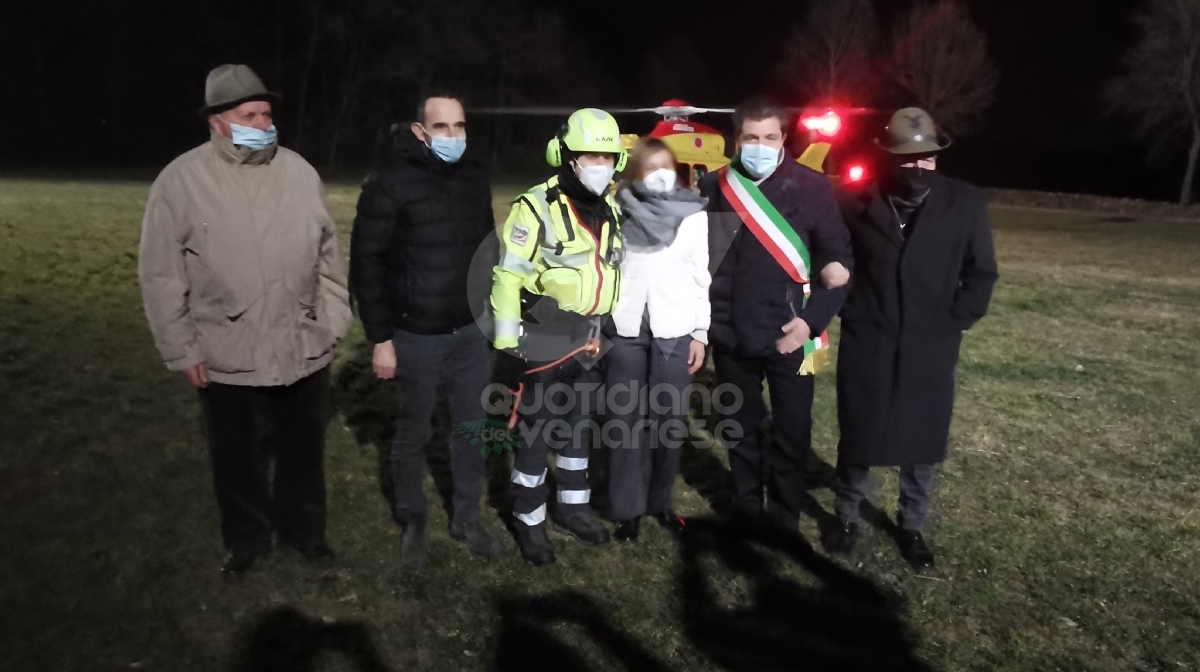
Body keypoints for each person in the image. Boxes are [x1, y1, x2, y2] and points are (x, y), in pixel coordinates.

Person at [138, 64, 352, 574]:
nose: (263, 121)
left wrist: (334, 321)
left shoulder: (299, 172)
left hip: (304, 343)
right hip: (226, 349)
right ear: (216, 121)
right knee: (237, 457)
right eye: (248, 114)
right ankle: (248, 540)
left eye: (266, 113)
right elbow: (161, 275)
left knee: (303, 451)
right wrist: (181, 349)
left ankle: (306, 533)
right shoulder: (180, 181)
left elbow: (329, 257)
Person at [823, 108, 998, 571]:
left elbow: (981, 273)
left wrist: (953, 320)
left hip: (930, 343)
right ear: (887, 157)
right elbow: (840, 260)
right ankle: (846, 516)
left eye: (926, 158)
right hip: (871, 337)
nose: (917, 167)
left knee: (923, 439)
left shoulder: (965, 204)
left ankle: (912, 524)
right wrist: (850, 310)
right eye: (907, 159)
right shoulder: (855, 202)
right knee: (859, 430)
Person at [349, 93, 502, 569]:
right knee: (414, 431)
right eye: (442, 127)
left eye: (459, 126)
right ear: (419, 131)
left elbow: (486, 246)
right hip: (415, 335)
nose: (453, 136)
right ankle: (413, 517)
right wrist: (380, 338)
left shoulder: (475, 180)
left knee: (472, 429)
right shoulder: (389, 185)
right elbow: (366, 263)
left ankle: (466, 517)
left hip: (471, 332)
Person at [699, 96, 852, 532]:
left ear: (784, 138)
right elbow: (695, 261)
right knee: (739, 427)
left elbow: (839, 260)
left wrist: (811, 320)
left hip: (796, 333)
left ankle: (784, 517)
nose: (760, 145)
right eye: (751, 137)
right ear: (737, 139)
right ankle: (747, 507)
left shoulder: (812, 186)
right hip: (730, 333)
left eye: (770, 137)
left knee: (793, 429)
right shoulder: (713, 187)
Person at [491, 108, 627, 566]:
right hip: (546, 336)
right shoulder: (535, 206)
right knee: (536, 431)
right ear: (564, 156)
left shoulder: (610, 208)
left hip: (591, 338)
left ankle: (573, 507)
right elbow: (509, 276)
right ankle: (529, 518)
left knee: (576, 428)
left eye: (608, 157)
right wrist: (508, 345)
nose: (600, 165)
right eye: (590, 155)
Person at [604, 137, 710, 543]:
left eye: (667, 166)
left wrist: (700, 331)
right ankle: (626, 509)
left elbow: (702, 278)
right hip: (626, 330)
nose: (661, 174)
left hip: (674, 331)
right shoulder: (616, 211)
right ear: (635, 173)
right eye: (651, 168)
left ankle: (660, 501)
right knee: (625, 422)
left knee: (668, 421)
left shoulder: (693, 216)